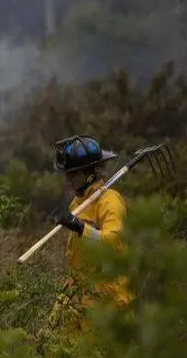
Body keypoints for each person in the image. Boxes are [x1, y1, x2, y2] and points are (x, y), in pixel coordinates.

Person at [46, 135, 132, 333]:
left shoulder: (110, 202)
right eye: (67, 174)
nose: (68, 179)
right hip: (76, 294)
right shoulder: (77, 203)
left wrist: (80, 228)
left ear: (89, 173)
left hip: (105, 300)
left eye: (73, 174)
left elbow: (114, 243)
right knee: (54, 351)